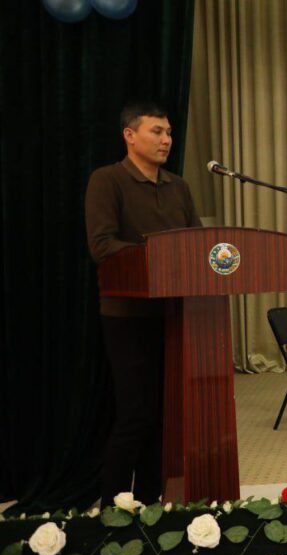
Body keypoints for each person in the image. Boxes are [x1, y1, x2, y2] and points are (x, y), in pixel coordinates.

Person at [85, 102, 202, 505]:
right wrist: (160, 257)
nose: (166, 139)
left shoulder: (178, 186)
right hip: (128, 316)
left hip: (175, 315)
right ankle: (113, 508)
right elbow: (102, 245)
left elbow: (196, 243)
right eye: (156, 131)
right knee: (136, 414)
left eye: (168, 132)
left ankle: (153, 503)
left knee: (167, 416)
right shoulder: (107, 180)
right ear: (130, 135)